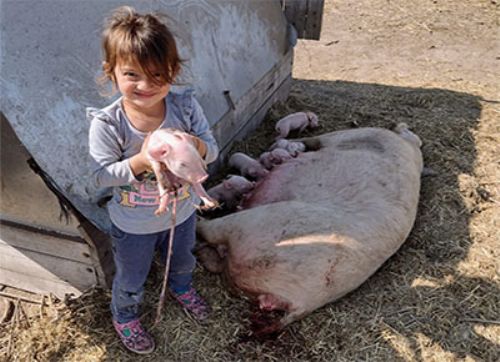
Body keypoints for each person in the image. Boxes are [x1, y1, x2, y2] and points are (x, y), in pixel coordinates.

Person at [87, 6, 219, 355]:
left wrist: (194, 146)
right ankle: (126, 314)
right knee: (131, 277)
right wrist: (143, 161)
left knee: (182, 257)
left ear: (174, 72)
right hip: (133, 223)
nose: (144, 85)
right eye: (131, 74)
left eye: (157, 74)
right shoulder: (108, 124)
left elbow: (213, 151)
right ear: (111, 72)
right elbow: (101, 176)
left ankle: (181, 285)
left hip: (183, 212)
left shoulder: (185, 108)